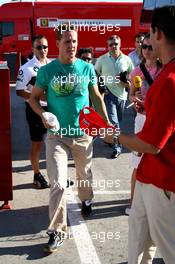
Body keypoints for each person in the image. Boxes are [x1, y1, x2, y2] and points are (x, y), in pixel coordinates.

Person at [29, 24, 110, 253]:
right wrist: (43, 113)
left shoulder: (86, 68)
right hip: (57, 137)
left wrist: (106, 126)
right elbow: (33, 99)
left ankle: (87, 199)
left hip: (83, 135)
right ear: (57, 44)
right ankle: (57, 231)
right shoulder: (47, 71)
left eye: (74, 41)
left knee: (84, 175)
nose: (72, 45)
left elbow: (96, 97)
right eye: (67, 41)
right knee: (57, 183)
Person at [104, 5, 175, 263]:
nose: (145, 44)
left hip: (164, 182)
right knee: (138, 243)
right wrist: (149, 106)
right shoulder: (166, 75)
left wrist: (110, 134)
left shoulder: (168, 81)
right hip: (150, 178)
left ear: (158, 34)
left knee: (168, 249)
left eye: (148, 36)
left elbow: (151, 144)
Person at [125, 33, 162, 216]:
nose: (146, 51)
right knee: (137, 162)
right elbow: (131, 94)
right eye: (143, 47)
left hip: (161, 120)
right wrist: (135, 97)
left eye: (149, 47)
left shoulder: (166, 70)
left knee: (160, 160)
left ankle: (156, 204)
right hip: (142, 119)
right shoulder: (137, 71)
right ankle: (133, 204)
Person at [16, 35, 50, 189]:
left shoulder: (52, 65)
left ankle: (56, 175)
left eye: (45, 46)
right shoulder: (27, 68)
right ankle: (37, 174)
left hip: (53, 109)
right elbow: (19, 91)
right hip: (34, 109)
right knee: (37, 144)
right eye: (39, 47)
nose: (42, 50)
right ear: (33, 49)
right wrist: (35, 96)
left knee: (57, 142)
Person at [95, 35, 134, 158]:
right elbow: (96, 74)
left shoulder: (126, 59)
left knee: (118, 121)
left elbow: (132, 77)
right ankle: (118, 147)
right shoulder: (102, 59)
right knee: (114, 123)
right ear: (107, 46)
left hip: (122, 95)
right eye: (111, 44)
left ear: (120, 44)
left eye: (115, 44)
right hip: (108, 94)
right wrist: (100, 87)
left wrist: (127, 82)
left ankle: (109, 139)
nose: (113, 46)